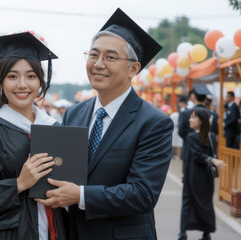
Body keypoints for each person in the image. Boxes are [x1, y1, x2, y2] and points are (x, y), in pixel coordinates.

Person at [36, 8, 173, 239]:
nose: (98, 64)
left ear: (133, 69)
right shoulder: (74, 113)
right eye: (93, 55)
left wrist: (80, 196)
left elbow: (143, 194)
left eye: (110, 57)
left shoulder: (154, 123)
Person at [0, 32, 68, 240]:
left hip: (53, 232)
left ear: (40, 82)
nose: (22, 84)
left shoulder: (54, 128)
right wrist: (18, 184)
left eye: (30, 76)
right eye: (12, 76)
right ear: (0, 83)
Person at [176, 108, 227, 240]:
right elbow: (207, 155)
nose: (190, 120)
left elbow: (197, 155)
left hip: (192, 175)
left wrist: (212, 159)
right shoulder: (210, 136)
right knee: (205, 204)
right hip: (206, 177)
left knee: (187, 202)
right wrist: (213, 160)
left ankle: (183, 232)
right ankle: (206, 233)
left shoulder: (192, 136)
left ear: (201, 121)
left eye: (193, 117)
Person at [178, 85, 218, 172]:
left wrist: (191, 141)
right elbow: (215, 131)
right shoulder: (213, 115)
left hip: (189, 151)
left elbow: (181, 131)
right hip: (207, 152)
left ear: (193, 96)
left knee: (188, 178)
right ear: (205, 99)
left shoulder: (185, 113)